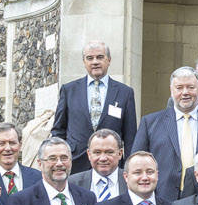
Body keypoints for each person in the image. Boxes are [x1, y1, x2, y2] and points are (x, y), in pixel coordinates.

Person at [134, 67, 198, 202]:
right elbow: (136, 162)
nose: (185, 92)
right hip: (162, 198)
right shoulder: (150, 122)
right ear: (171, 90)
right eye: (179, 88)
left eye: (190, 87)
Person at [50, 41, 138, 174]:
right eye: (90, 58)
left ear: (109, 60)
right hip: (75, 163)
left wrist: (130, 167)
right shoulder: (69, 90)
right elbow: (58, 130)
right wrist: (60, 159)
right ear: (84, 62)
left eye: (100, 57)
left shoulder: (125, 93)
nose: (95, 62)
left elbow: (130, 136)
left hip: (111, 164)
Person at [69, 128, 124, 201]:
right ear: (89, 154)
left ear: (120, 153)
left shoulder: (131, 181)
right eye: (97, 152)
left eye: (109, 152)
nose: (103, 158)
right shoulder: (72, 183)